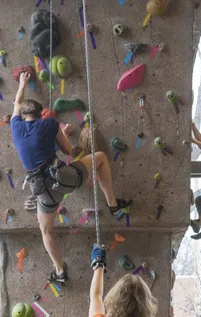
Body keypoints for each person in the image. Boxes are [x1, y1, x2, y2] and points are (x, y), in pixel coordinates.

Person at [11, 71, 132, 285]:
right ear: (41, 114)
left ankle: (59, 271)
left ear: (22, 116)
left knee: (46, 231)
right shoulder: (49, 124)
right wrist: (63, 132)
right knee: (101, 157)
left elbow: (16, 102)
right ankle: (113, 204)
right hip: (64, 178)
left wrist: (22, 83)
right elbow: (68, 151)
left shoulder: (15, 127)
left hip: (43, 192)